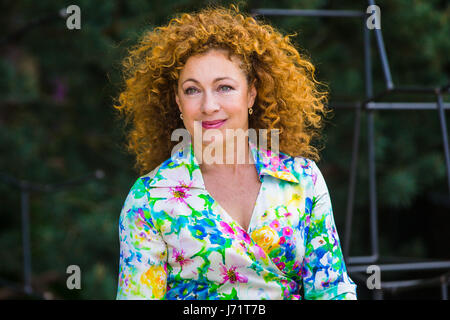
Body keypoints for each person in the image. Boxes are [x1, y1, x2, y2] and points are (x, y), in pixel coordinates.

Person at [114, 5, 357, 300]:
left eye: (224, 87)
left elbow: (333, 291)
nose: (208, 106)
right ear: (178, 101)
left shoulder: (302, 179)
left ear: (251, 93)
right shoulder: (149, 199)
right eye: (192, 90)